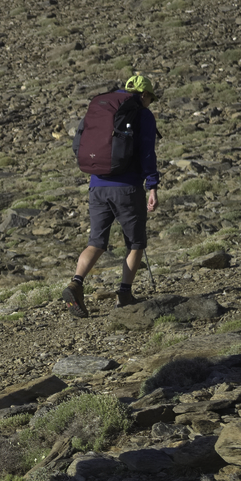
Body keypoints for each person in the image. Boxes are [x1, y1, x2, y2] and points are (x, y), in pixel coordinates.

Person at [64, 73, 162, 317]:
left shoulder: (102, 108)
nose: (150, 103)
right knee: (136, 242)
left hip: (97, 185)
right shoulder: (142, 113)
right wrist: (152, 185)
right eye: (150, 98)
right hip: (127, 188)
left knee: (96, 242)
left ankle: (76, 283)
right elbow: (147, 152)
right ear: (145, 94)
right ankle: (125, 294)